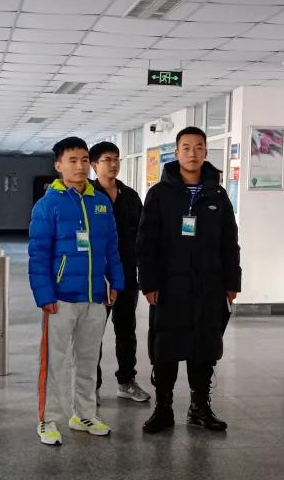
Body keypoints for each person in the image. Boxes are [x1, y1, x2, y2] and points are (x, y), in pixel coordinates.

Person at [137, 126, 240, 435]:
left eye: (198, 147)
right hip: (170, 286)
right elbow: (146, 242)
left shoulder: (217, 195)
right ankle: (163, 408)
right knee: (165, 347)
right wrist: (149, 282)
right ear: (176, 153)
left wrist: (231, 283)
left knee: (204, 348)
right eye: (186, 147)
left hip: (209, 286)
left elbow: (229, 242)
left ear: (206, 152)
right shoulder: (159, 194)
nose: (192, 153)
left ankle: (200, 408)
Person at [29, 137, 125, 446]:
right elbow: (38, 254)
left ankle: (84, 414)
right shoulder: (48, 205)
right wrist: (45, 295)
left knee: (87, 359)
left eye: (85, 160)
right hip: (60, 298)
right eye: (73, 160)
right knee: (54, 362)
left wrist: (116, 282)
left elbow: (111, 247)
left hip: (95, 296)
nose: (80, 166)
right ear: (58, 166)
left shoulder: (100, 202)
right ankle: (47, 419)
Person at [90, 141, 150, 404]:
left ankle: (126, 381)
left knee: (126, 332)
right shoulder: (86, 196)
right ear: (94, 165)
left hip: (126, 276)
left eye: (116, 159)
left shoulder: (131, 196)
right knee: (93, 334)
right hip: (96, 278)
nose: (113, 164)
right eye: (107, 160)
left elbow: (143, 236)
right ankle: (91, 386)